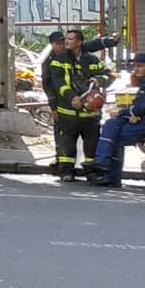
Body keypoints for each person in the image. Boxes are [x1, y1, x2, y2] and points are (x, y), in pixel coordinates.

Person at [88, 52, 145, 188]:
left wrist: (123, 113)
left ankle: (111, 176)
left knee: (117, 137)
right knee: (111, 124)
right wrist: (131, 114)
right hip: (142, 117)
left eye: (141, 66)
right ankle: (101, 161)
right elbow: (140, 105)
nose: (137, 69)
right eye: (135, 66)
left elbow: (142, 107)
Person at [44, 28, 106, 179]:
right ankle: (66, 172)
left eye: (70, 39)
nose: (66, 41)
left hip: (90, 115)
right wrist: (72, 98)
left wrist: (99, 80)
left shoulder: (92, 60)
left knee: (92, 147)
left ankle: (92, 173)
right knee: (67, 145)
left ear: (79, 42)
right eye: (66, 39)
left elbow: (107, 75)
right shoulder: (59, 60)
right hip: (68, 114)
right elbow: (58, 83)